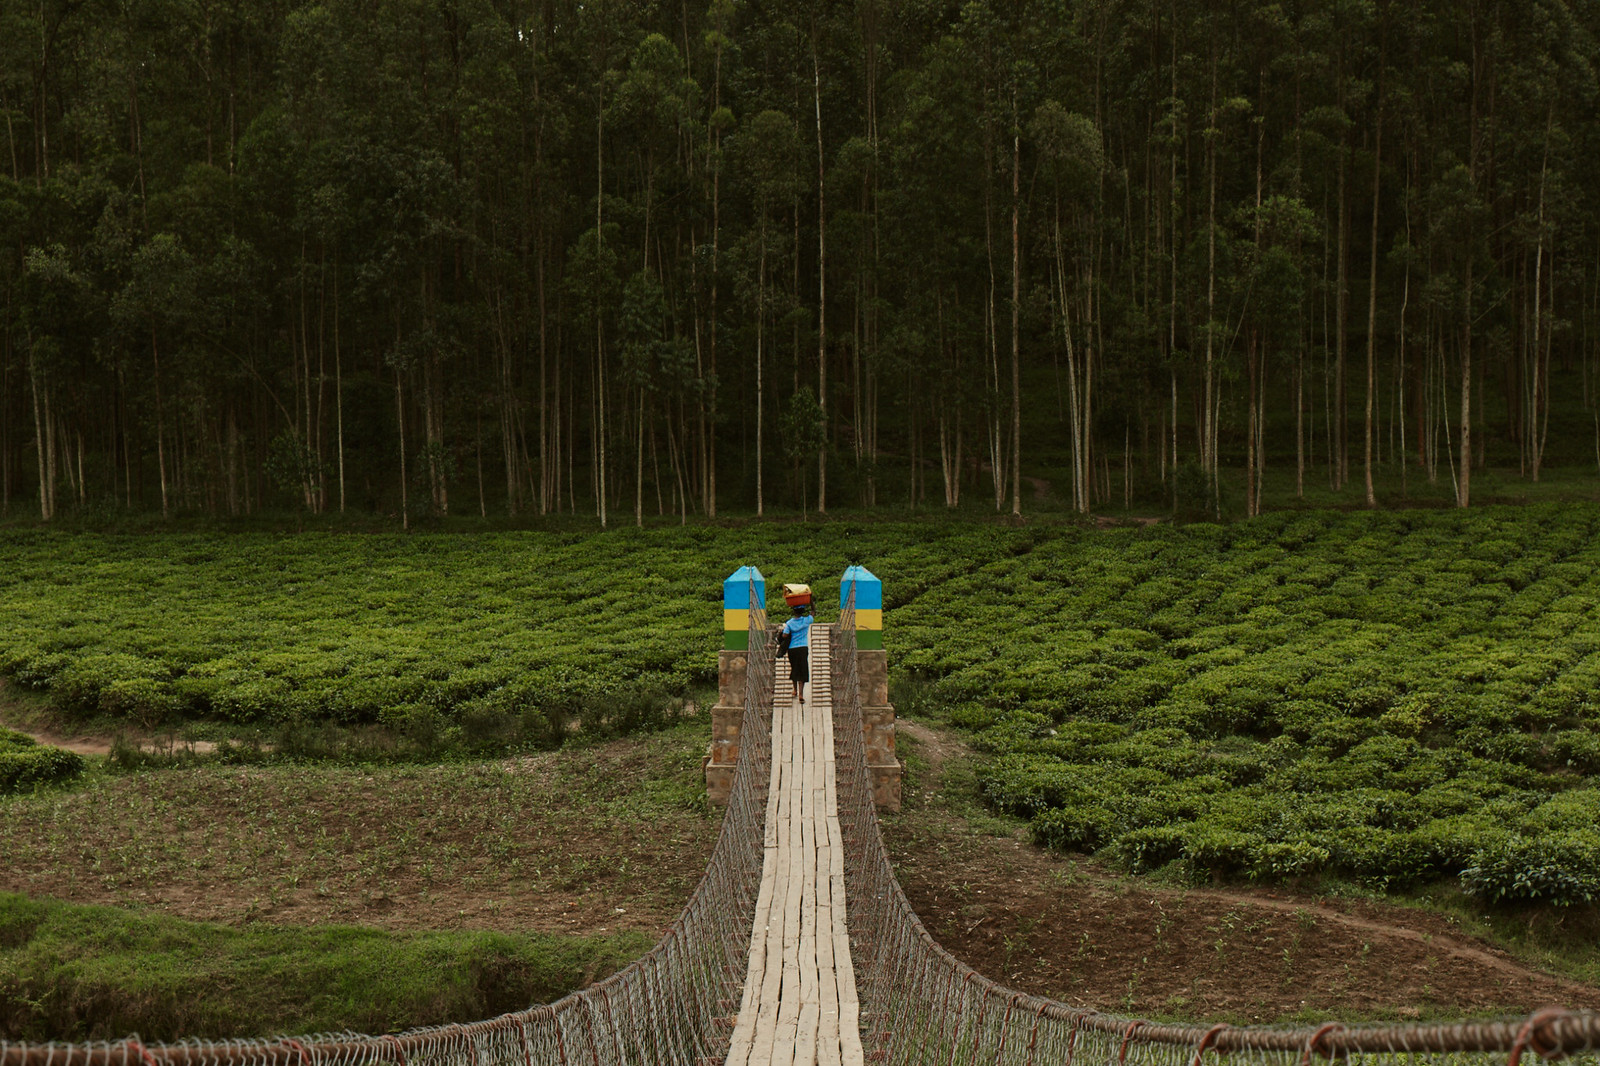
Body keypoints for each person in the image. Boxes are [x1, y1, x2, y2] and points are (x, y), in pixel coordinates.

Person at [779, 604, 813, 705]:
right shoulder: (806, 620)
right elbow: (813, 612)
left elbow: (785, 635)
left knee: (794, 668)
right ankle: (801, 695)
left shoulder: (789, 623)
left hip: (792, 649)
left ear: (794, 612)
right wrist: (811, 601)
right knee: (802, 669)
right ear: (803, 611)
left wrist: (783, 632)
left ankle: (794, 690)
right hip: (803, 648)